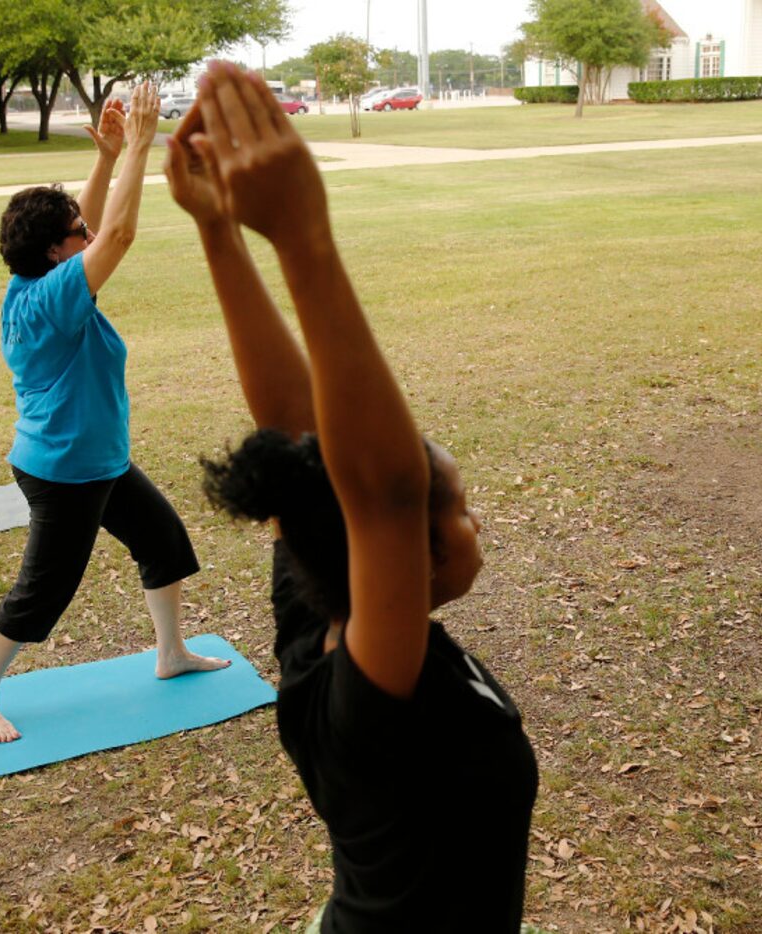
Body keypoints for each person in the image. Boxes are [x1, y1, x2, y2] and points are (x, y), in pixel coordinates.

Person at [169, 63, 539, 932]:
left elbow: (306, 440)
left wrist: (220, 233)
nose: (475, 522)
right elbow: (380, 491)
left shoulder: (318, 611)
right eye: (457, 509)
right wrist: (303, 239)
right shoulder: (369, 697)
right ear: (408, 552)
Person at [0, 85, 227, 744]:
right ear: (57, 250)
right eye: (78, 232)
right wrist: (138, 145)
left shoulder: (42, 281)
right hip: (65, 470)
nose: (90, 234)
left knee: (163, 544)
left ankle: (170, 655)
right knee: (41, 593)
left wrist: (106, 160)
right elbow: (122, 232)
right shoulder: (51, 301)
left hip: (96, 459)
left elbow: (97, 225)